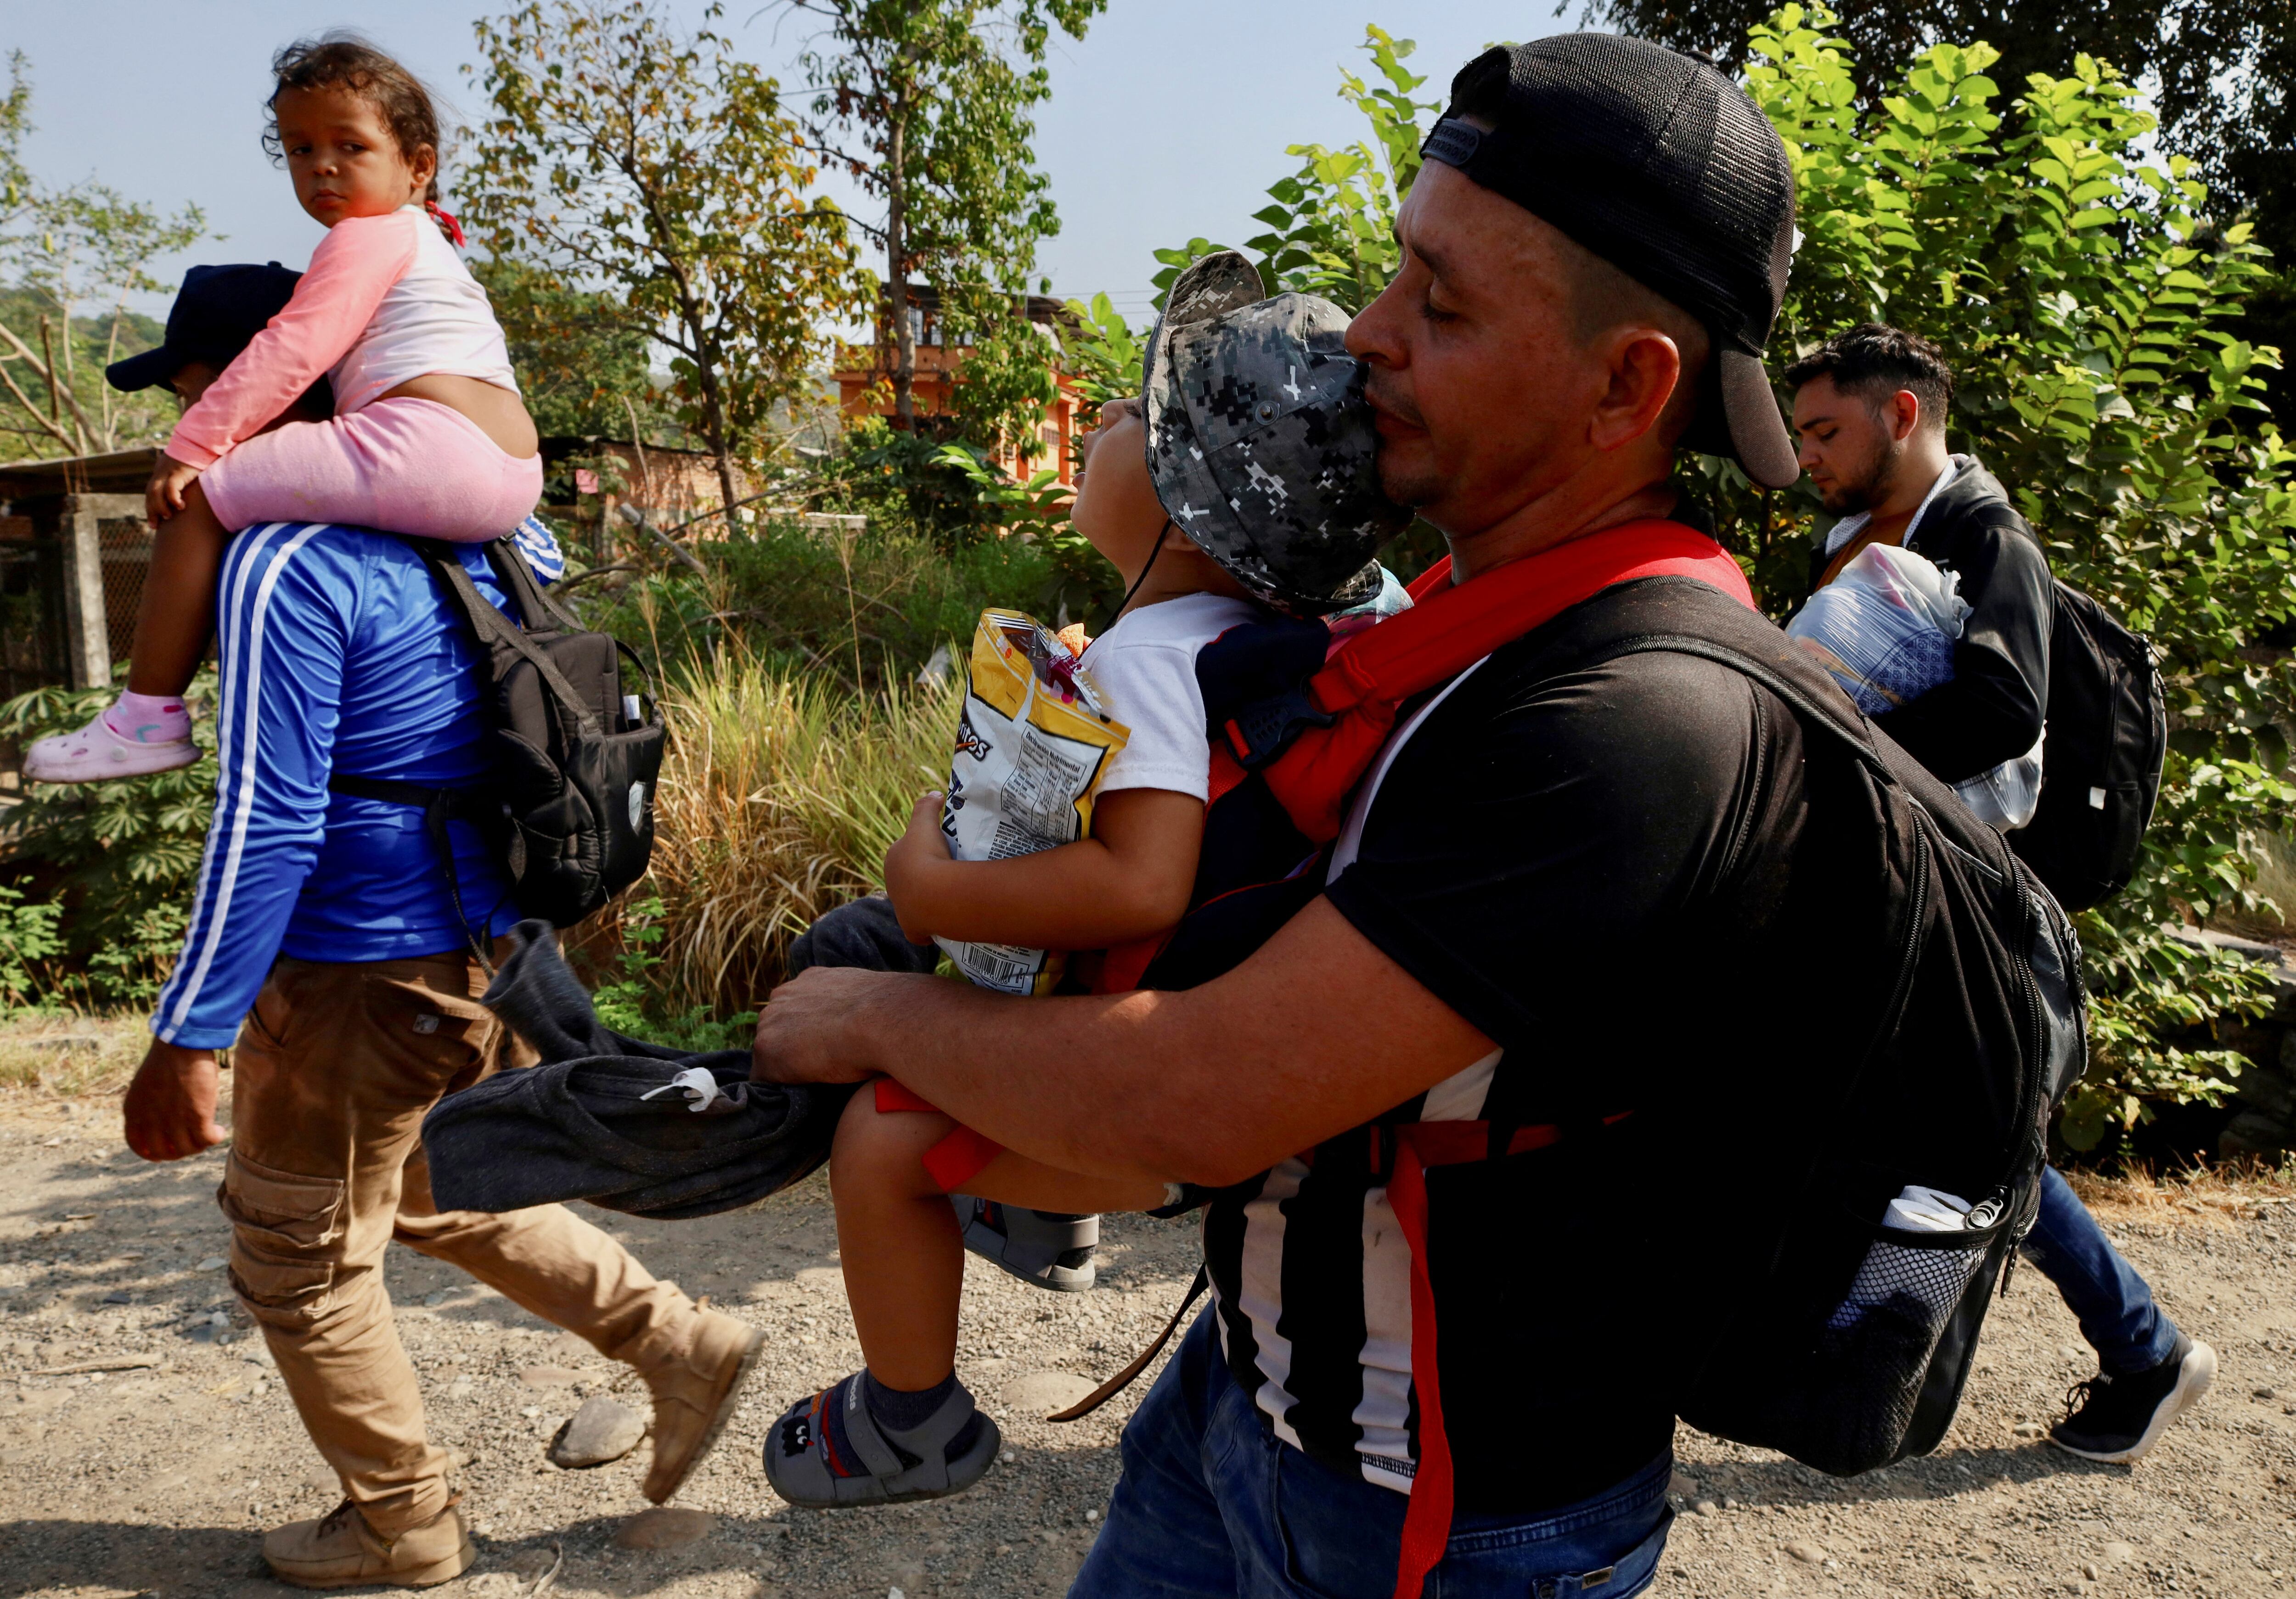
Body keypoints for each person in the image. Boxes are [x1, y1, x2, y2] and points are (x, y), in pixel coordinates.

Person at [754, 35, 1891, 1599]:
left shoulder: (1630, 718)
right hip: (1254, 1401)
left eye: (1440, 303)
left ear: (1627, 386)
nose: (1368, 338)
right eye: (1392, 278)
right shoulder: (1471, 611)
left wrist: (877, 1014)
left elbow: (1202, 1104)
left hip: (1436, 1514)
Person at [116, 270, 757, 1590]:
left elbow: (269, 814)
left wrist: (189, 1028)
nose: (186, 429)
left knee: (295, 1258)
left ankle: (403, 1524)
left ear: (261, 389)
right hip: (485, 942)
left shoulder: (287, 560)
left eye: (195, 390)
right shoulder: (499, 534)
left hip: (355, 967)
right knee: (428, 1185)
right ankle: (681, 1345)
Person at [764, 271, 1411, 1509]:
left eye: (1131, 417)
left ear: (1185, 505)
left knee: (878, 1143)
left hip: (1159, 1109)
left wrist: (931, 887)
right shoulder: (1299, 631)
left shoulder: (1153, 658)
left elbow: (1137, 885)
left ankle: (909, 1415)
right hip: (1244, 1051)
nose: (1106, 418)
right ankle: (1033, 1221)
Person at [1788, 322, 2218, 1463]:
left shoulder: (1986, 536)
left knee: (1977, 1132)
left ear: (1901, 415)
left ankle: (2144, 1349)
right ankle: (2133, 1349)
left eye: (1824, 430)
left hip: (1974, 896)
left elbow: (2000, 708)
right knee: (1942, 1123)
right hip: (1889, 880)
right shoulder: (1852, 534)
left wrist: (1841, 740)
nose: (1806, 456)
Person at [26, 34, 541, 784]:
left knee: (198, 498)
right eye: (300, 149)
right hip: (513, 474)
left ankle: (145, 718)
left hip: (431, 448)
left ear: (418, 166)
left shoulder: (369, 236)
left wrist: (193, 445)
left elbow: (293, 348)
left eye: (350, 146)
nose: (322, 166)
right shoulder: (436, 250)